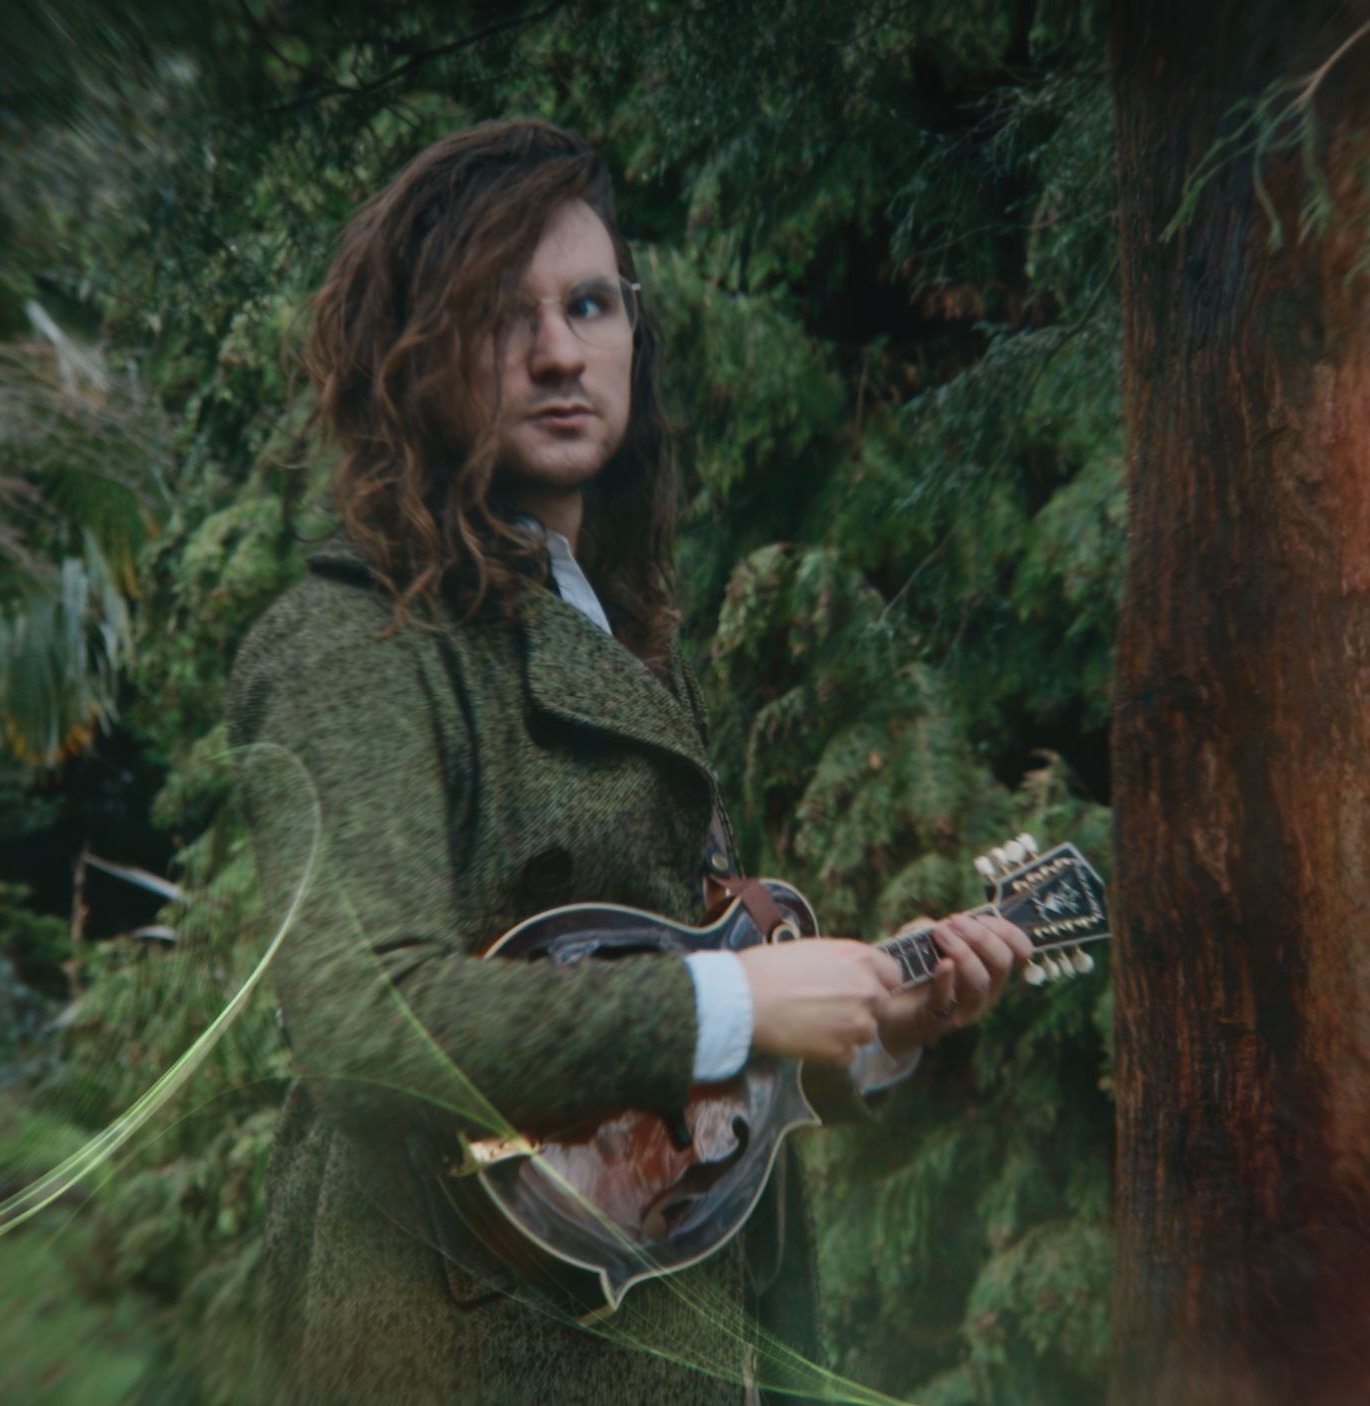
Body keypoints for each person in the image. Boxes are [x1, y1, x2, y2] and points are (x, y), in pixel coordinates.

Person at [228, 119, 1031, 1406]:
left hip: (671, 1330)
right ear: (415, 352)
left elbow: (647, 1028)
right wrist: (740, 1005)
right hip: (454, 1349)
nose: (558, 351)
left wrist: (877, 1022)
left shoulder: (617, 630)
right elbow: (364, 1020)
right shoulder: (341, 642)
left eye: (589, 304)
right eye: (505, 313)